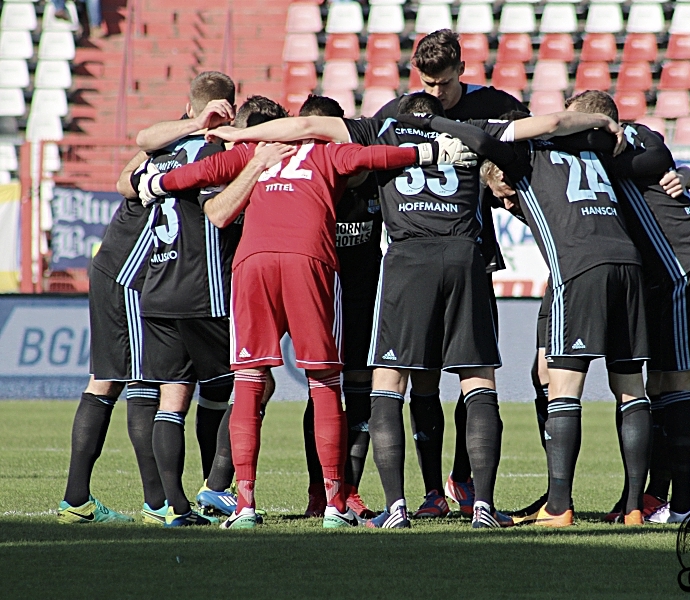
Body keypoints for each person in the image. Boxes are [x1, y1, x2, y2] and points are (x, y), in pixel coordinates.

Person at [137, 94, 471, 529]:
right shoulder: (330, 151)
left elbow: (197, 174)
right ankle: (334, 505)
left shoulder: (253, 150)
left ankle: (245, 507)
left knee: (250, 382)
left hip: (252, 264)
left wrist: (153, 185)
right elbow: (380, 155)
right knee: (325, 383)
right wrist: (430, 151)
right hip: (308, 260)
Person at [426, 111, 652, 527]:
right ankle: (634, 506)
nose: (507, 204)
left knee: (563, 388)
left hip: (579, 269)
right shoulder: (588, 148)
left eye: (503, 195)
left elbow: (479, 137)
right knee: (631, 389)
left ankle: (559, 507)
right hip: (630, 266)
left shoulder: (523, 155)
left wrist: (430, 120)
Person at [573, 91, 690, 523]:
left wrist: (685, 173)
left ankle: (678, 507)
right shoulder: (645, 139)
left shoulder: (605, 154)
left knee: (675, 386)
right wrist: (687, 174)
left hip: (686, 271)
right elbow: (660, 157)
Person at [374, 29, 530, 518]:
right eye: (426, 82)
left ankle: (464, 487)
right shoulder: (399, 111)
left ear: (461, 69)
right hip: (440, 253)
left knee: (467, 376)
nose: (435, 92)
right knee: (428, 381)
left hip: (466, 251)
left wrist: (496, 173)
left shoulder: (496, 106)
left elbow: (522, 155)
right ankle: (431, 495)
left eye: (442, 83)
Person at [130, 71, 242, 527]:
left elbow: (135, 161)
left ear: (191, 105)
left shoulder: (161, 153)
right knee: (249, 385)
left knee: (172, 399)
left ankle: (174, 508)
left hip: (157, 288)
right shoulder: (220, 151)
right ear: (230, 106)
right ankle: (217, 488)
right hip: (205, 288)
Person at [56, 151, 162, 525]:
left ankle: (77, 501)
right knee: (144, 379)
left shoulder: (160, 149)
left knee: (105, 380)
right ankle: (158, 504)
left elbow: (127, 175)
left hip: (113, 269)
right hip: (128, 279)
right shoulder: (188, 155)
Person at [295, 95, 380, 521]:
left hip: (365, 295)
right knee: (323, 391)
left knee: (361, 394)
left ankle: (351, 490)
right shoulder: (297, 176)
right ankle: (320, 488)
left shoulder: (370, 171)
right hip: (318, 294)